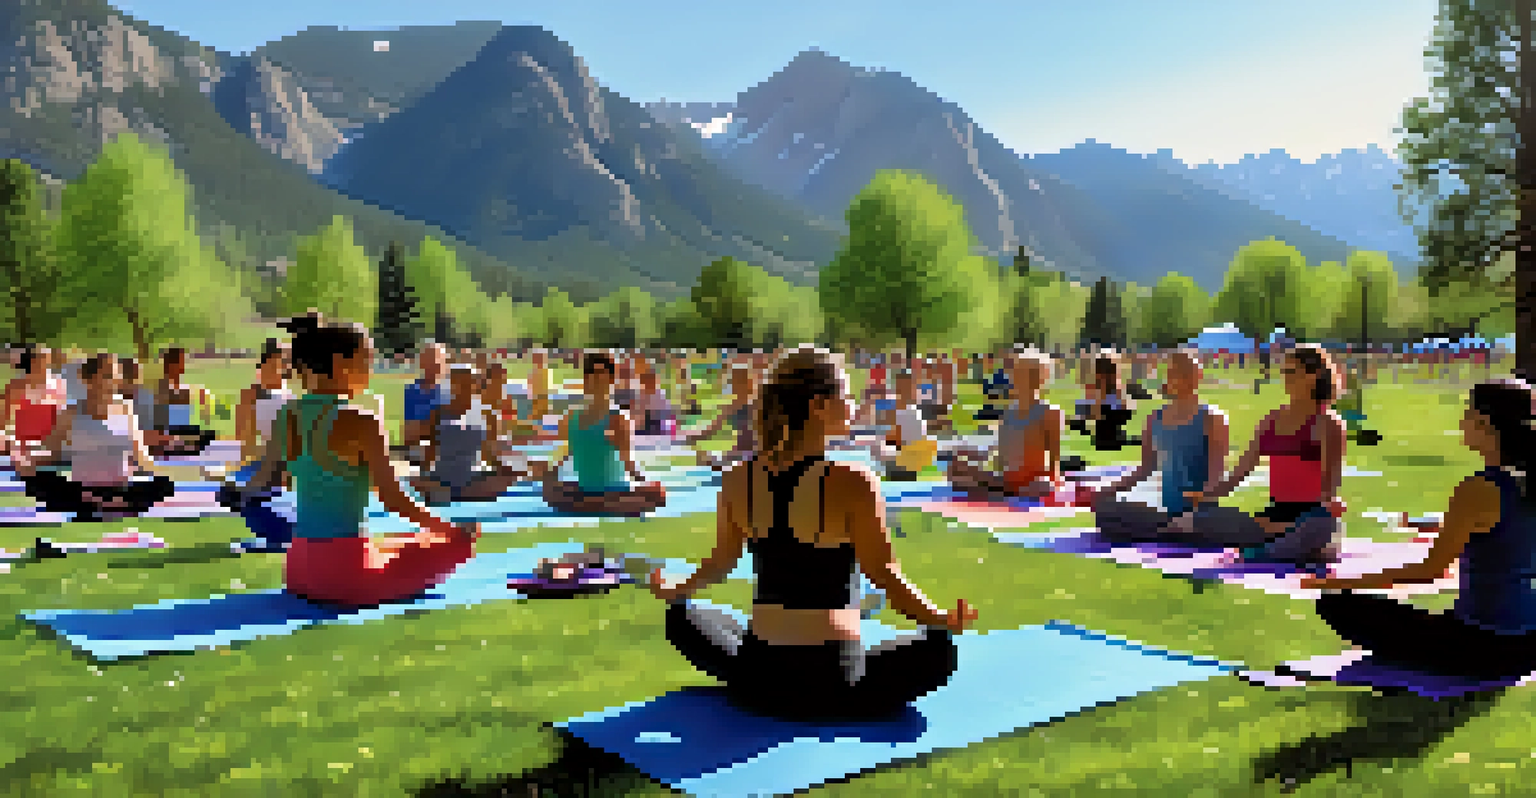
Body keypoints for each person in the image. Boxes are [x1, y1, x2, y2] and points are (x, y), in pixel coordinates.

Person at [651, 346, 974, 721]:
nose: (853, 404)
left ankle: (759, 679)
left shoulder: (739, 478)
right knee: (938, 649)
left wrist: (678, 589)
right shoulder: (853, 481)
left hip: (759, 678)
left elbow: (721, 562)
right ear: (820, 404)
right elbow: (884, 574)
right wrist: (941, 618)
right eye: (847, 394)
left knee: (682, 617)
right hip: (833, 682)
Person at [1292, 379, 1536, 681]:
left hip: (1487, 647)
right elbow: (1504, 528)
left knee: (1337, 604)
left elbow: (1429, 571)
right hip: (1528, 639)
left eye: (1467, 413)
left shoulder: (1480, 488)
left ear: (1484, 423)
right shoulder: (1522, 483)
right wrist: (1435, 525)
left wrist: (1336, 580)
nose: (1461, 421)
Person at [231, 313, 478, 607]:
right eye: (366, 361)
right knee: (457, 544)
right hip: (346, 576)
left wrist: (236, 490)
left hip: (297, 569)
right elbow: (392, 499)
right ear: (340, 365)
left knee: (396, 543)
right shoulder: (361, 420)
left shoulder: (288, 414)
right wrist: (450, 529)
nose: (370, 370)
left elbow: (262, 478)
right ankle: (455, 539)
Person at [1170, 344, 1348, 565]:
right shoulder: (1271, 420)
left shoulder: (1328, 423)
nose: (1285, 378)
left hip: (1311, 516)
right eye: (1283, 372)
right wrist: (1206, 495)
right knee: (1200, 520)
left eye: (1292, 372)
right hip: (1275, 515)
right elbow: (1240, 472)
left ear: (1314, 375)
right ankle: (1280, 546)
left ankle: (1275, 548)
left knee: (1320, 525)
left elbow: (1329, 487)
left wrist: (1327, 506)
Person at [1087, 350, 1231, 541]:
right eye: (1174, 372)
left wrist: (1194, 511)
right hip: (1165, 512)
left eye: (1186, 372)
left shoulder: (1213, 418)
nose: (1179, 378)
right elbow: (1145, 469)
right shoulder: (1154, 418)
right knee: (1106, 509)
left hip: (1200, 514)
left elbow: (1216, 478)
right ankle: (1168, 530)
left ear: (1198, 376)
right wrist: (1105, 491)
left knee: (1201, 524)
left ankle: (1174, 529)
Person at [16, 353, 176, 522]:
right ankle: (105, 504)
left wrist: (159, 472)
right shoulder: (70, 414)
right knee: (40, 483)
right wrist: (28, 461)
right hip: (83, 491)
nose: (115, 381)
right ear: (88, 380)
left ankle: (106, 504)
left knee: (163, 485)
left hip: (120, 489)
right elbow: (53, 453)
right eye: (108, 376)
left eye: (116, 375)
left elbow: (140, 453)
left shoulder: (125, 408)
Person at [542, 352, 667, 515]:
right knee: (550, 490)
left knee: (653, 497)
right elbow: (566, 455)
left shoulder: (618, 418)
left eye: (600, 373)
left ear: (611, 379)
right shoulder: (571, 417)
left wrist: (646, 483)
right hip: (584, 492)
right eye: (590, 373)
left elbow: (628, 463)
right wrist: (547, 473)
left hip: (614, 494)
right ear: (585, 380)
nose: (595, 379)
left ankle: (601, 505)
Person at [949, 349, 1070, 502]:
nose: (1014, 376)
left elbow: (1054, 462)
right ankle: (1000, 492)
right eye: (1016, 372)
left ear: (1040, 377)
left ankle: (996, 493)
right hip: (1007, 481)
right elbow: (1002, 458)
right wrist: (976, 462)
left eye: (1023, 372)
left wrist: (1053, 483)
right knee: (956, 467)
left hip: (1033, 482)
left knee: (1044, 487)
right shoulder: (1008, 413)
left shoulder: (1050, 413)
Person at [409, 364, 520, 505]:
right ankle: (452, 493)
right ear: (452, 384)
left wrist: (505, 469)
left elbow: (489, 452)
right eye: (460, 383)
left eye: (470, 382)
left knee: (503, 479)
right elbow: (431, 449)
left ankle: (452, 494)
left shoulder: (488, 414)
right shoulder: (438, 413)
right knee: (418, 481)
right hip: (443, 476)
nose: (466, 387)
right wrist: (423, 475)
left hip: (473, 479)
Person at [683, 364, 758, 471]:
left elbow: (754, 443)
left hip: (750, 457)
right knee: (704, 461)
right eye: (733, 384)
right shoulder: (734, 405)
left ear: (749, 384)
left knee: (710, 463)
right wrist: (694, 437)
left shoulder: (756, 406)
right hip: (738, 454)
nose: (734, 388)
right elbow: (715, 425)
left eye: (737, 383)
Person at [147, 347, 216, 457]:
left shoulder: (183, 389)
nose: (183, 367)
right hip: (168, 434)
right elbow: (159, 423)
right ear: (170, 365)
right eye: (181, 362)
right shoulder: (161, 390)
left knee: (208, 435)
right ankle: (182, 446)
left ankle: (186, 445)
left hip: (183, 432)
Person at [2, 346, 68, 461]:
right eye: (40, 359)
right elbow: (3, 421)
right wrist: (8, 442)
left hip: (50, 450)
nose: (44, 365)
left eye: (47, 360)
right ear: (31, 361)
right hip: (23, 450)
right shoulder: (16, 387)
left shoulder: (58, 385)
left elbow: (62, 420)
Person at [878, 370, 936, 481]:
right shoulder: (913, 412)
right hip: (914, 460)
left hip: (905, 464)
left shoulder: (906, 413)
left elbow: (895, 440)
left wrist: (884, 440)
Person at [401, 342, 450, 463]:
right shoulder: (412, 391)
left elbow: (455, 433)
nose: (435, 365)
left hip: (446, 453)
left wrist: (425, 427)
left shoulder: (451, 391)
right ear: (422, 363)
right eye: (430, 361)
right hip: (419, 453)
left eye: (439, 361)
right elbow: (409, 435)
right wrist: (435, 425)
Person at [631, 369, 677, 437]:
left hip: (658, 424)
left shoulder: (659, 395)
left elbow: (667, 413)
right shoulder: (641, 396)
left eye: (651, 381)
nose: (648, 384)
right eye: (646, 382)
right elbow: (637, 413)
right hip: (644, 424)